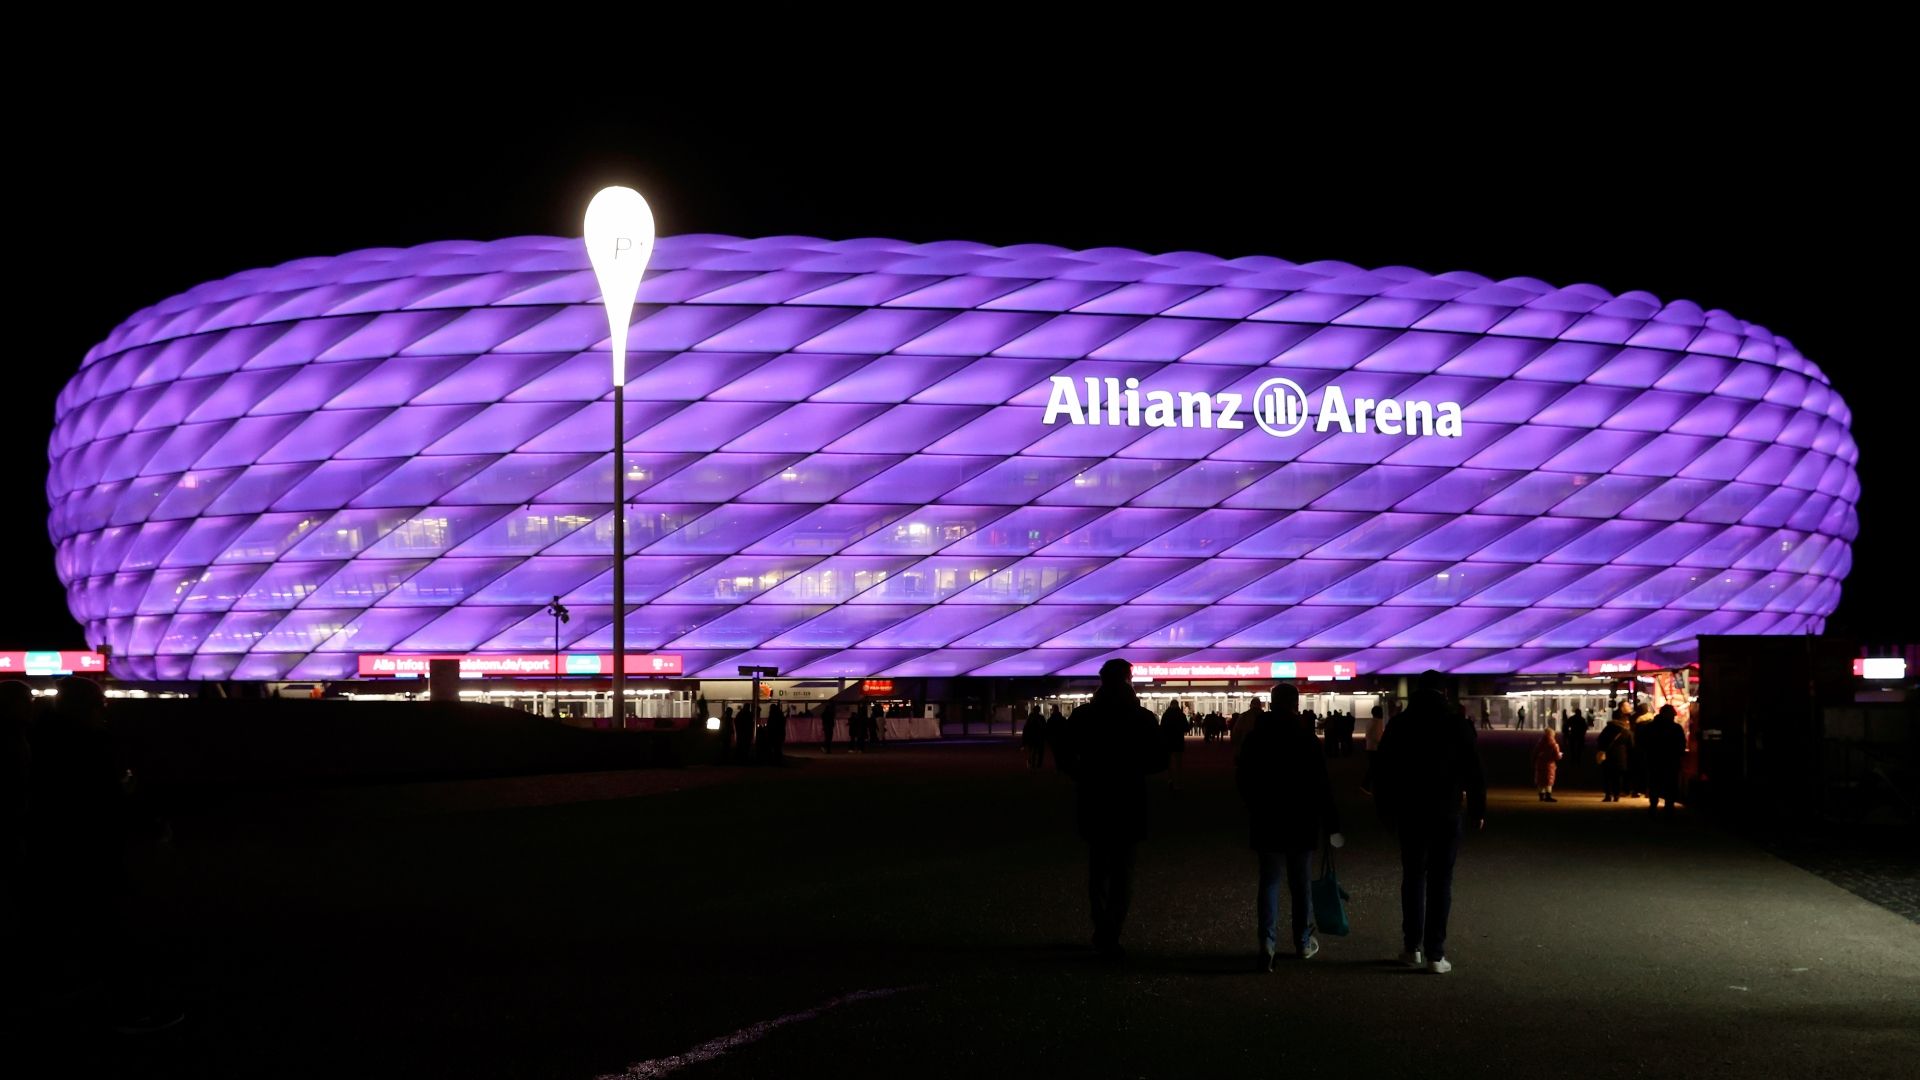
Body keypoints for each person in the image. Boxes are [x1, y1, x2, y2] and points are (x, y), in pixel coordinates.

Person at [1373, 670, 1486, 975]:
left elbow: (1382, 770)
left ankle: (1412, 948)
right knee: (1441, 880)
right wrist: (1477, 809)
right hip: (1447, 811)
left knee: (1413, 877)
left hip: (1410, 811)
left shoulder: (1401, 724)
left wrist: (1385, 810)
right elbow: (1474, 770)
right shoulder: (1457, 724)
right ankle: (1436, 954)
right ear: (1444, 693)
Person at [1054, 659, 1167, 960]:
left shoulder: (1084, 716)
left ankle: (1101, 927)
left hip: (1095, 797)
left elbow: (1063, 754)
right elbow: (1159, 760)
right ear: (1128, 680)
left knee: (1098, 868)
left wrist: (1083, 773)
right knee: (1123, 872)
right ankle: (1111, 932)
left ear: (1102, 680)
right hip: (1128, 799)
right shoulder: (1141, 717)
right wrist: (1133, 768)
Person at [1238, 684, 1343, 968]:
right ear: (1296, 705)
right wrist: (1332, 825)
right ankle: (1303, 942)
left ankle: (1267, 943)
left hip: (1267, 818)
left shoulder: (1256, 738)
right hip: (1301, 820)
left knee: (1269, 881)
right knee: (1300, 884)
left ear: (1271, 704)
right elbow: (1322, 786)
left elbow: (1244, 779)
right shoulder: (1307, 739)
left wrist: (1254, 806)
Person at [1641, 705, 1686, 815]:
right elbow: (1681, 745)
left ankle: (1653, 805)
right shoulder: (1676, 728)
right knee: (1670, 783)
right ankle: (1669, 806)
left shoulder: (1650, 727)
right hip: (1671, 761)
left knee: (1655, 782)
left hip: (1654, 760)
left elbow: (1645, 743)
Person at [1596, 707, 1633, 802]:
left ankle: (1608, 795)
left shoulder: (1607, 728)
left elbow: (1600, 740)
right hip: (1621, 756)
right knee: (1618, 777)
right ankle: (1616, 795)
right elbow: (1631, 745)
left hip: (1608, 755)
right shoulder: (1626, 731)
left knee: (1607, 776)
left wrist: (1601, 749)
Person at [1160, 699, 1188, 790]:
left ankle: (1170, 778)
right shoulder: (1181, 715)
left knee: (1168, 761)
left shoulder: (1166, 715)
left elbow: (1162, 727)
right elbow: (1186, 728)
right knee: (1178, 761)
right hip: (1178, 740)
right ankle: (1178, 781)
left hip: (1168, 740)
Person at [1360, 703, 1388, 793]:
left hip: (1369, 747)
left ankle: (1367, 785)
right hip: (1375, 748)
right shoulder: (1378, 722)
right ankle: (1366, 785)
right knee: (1374, 768)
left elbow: (1370, 735)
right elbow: (1378, 737)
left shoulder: (1370, 721)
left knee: (1374, 767)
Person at [1532, 726, 1562, 802]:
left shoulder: (1540, 742)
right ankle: (1548, 795)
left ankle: (1541, 795)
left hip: (1540, 762)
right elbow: (1556, 755)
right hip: (1549, 764)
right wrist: (1560, 755)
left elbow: (1535, 752)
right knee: (1549, 779)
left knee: (1541, 779)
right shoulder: (1554, 744)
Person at [1022, 704, 1046, 769]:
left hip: (1032, 738)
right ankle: (1038, 765)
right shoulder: (1041, 718)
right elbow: (1044, 727)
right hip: (1039, 738)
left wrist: (1024, 740)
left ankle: (1032, 764)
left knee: (1033, 751)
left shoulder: (1030, 717)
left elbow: (1026, 728)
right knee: (1039, 752)